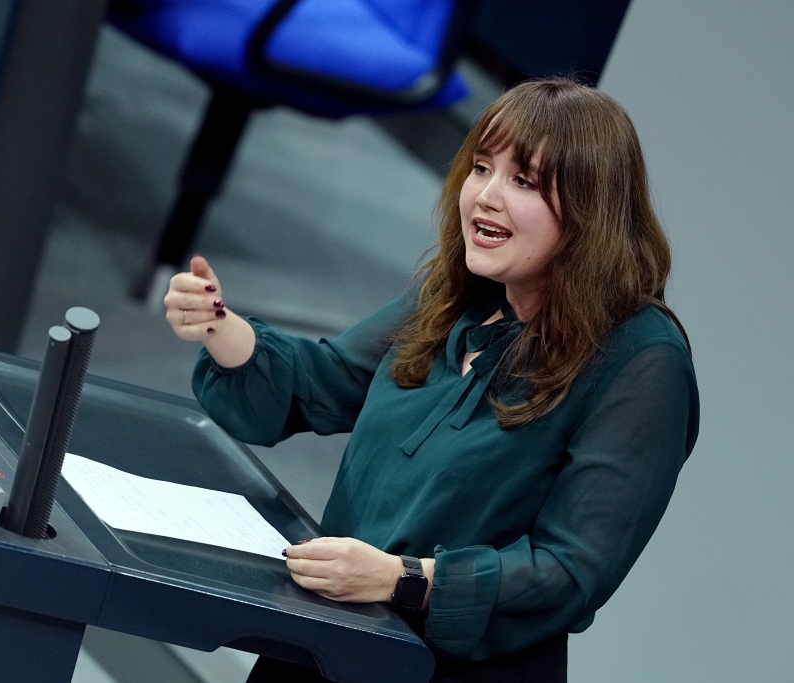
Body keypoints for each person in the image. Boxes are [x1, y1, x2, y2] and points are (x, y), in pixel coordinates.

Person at [163, 78, 699, 683]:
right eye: (481, 168)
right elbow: (329, 379)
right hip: (328, 637)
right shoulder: (461, 293)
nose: (485, 197)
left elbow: (571, 571)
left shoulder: (641, 360)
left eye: (523, 182)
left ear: (589, 211)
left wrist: (404, 580)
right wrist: (221, 326)